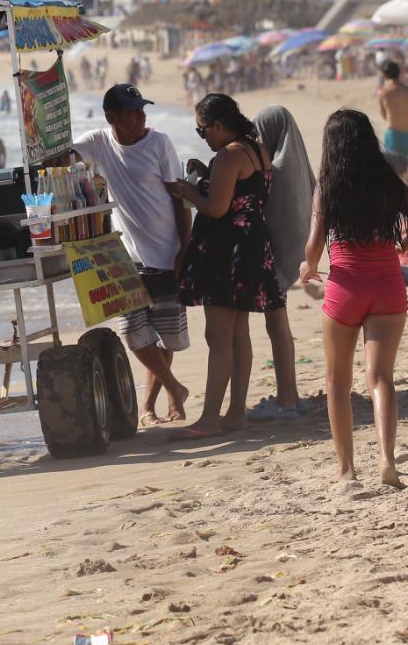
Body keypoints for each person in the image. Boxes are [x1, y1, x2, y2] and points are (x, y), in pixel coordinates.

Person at [298, 109, 408, 489]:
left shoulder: (327, 187)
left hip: (345, 288)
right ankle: (388, 461)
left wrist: (307, 269)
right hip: (388, 286)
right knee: (381, 377)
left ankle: (346, 470)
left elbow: (313, 248)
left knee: (338, 383)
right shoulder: (387, 180)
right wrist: (401, 248)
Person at [71, 84, 193, 426]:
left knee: (165, 336)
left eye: (142, 110)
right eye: (133, 112)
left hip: (167, 252)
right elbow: (63, 158)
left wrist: (186, 247)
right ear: (112, 118)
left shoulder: (159, 143)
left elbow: (179, 197)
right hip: (125, 257)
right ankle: (173, 390)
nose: (141, 117)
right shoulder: (99, 142)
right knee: (134, 333)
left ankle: (155, 406)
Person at [166, 94, 285, 437]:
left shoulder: (229, 155)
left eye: (203, 131)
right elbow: (240, 191)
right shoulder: (255, 149)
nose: (204, 137)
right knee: (238, 333)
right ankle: (235, 414)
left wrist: (185, 192)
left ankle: (209, 419)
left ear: (219, 125)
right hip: (250, 246)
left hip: (228, 251)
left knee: (218, 336)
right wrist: (207, 174)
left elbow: (217, 208)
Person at [248, 104, 318, 421]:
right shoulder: (300, 167)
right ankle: (290, 393)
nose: (256, 140)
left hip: (272, 260)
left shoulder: (274, 171)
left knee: (276, 327)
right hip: (291, 256)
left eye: (258, 134)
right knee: (280, 327)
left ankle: (287, 398)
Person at [376, 61, 408, 176]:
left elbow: (384, 116)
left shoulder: (384, 93)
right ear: (399, 73)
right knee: (403, 172)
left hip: (393, 135)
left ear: (384, 75)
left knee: (391, 173)